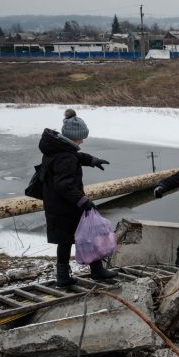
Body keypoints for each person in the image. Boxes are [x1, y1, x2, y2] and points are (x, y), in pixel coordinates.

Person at [39, 109, 117, 286]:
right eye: (81, 138)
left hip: (56, 204)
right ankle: (96, 271)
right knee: (89, 235)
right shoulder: (65, 156)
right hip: (66, 206)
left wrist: (92, 160)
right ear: (74, 137)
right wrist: (83, 201)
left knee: (65, 240)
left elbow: (75, 157)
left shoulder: (56, 148)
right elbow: (64, 185)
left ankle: (63, 277)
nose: (82, 141)